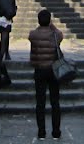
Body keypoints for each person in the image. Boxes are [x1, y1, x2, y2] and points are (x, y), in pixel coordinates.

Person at [29, 9, 64, 140]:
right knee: (55, 102)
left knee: (40, 102)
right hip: (53, 69)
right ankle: (56, 132)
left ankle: (41, 132)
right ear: (49, 21)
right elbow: (61, 35)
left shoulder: (33, 34)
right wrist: (52, 25)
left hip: (39, 69)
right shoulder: (54, 35)